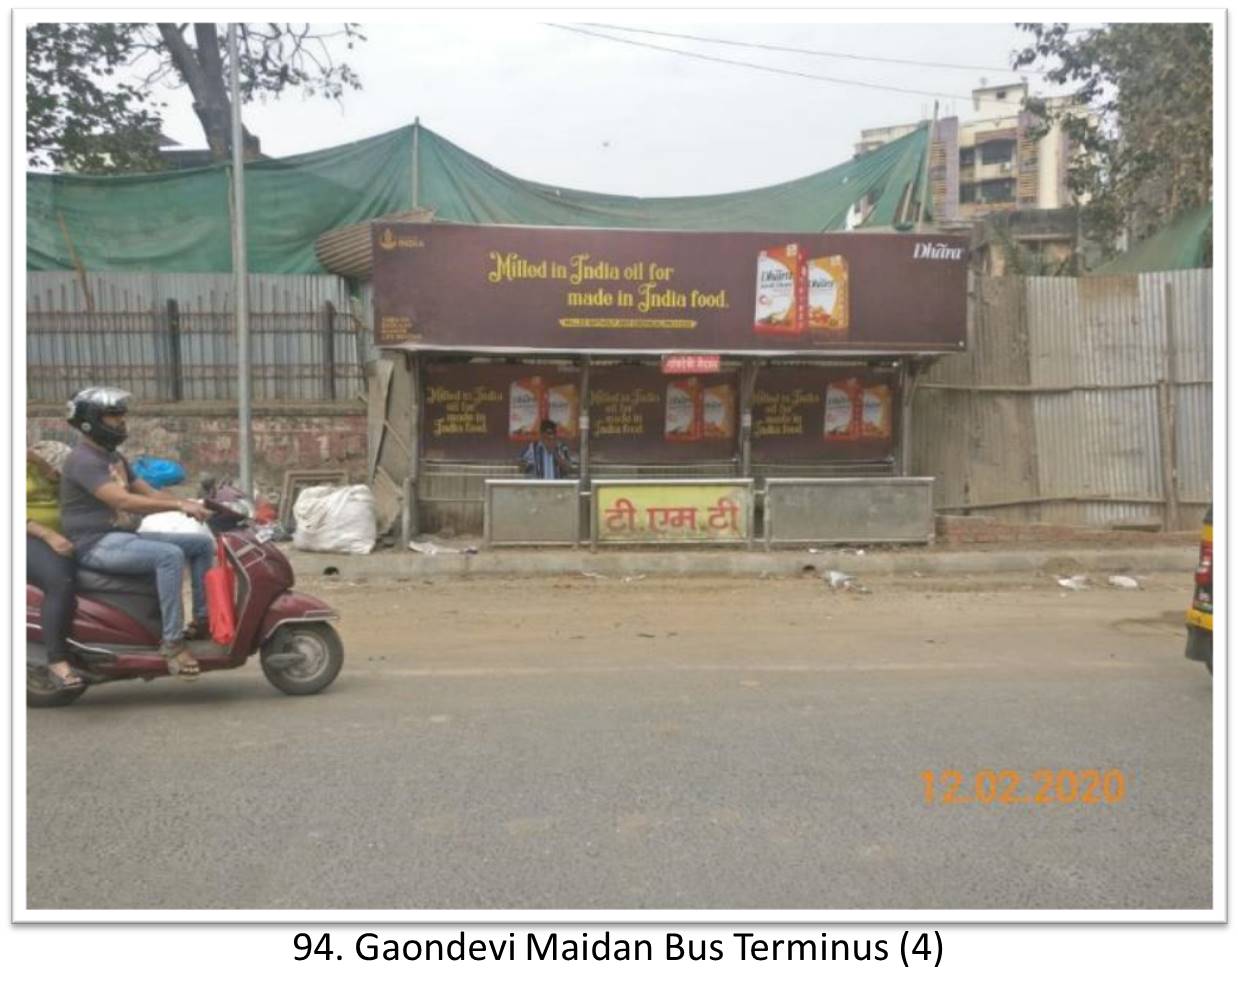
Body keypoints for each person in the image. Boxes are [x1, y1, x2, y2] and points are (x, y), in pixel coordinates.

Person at [59, 387, 214, 680]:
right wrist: (178, 504)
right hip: (95, 543)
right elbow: (123, 501)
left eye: (121, 414)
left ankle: (203, 620)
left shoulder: (113, 456)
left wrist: (193, 504)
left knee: (201, 545)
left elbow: (147, 492)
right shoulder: (83, 460)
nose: (122, 421)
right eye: (114, 415)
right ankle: (172, 642)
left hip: (122, 538)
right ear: (91, 420)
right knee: (169, 556)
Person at [27, 446, 82, 690]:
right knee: (60, 581)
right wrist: (49, 535)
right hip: (27, 538)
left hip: (61, 535)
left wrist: (43, 465)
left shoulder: (40, 459)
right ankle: (57, 660)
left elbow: (66, 493)